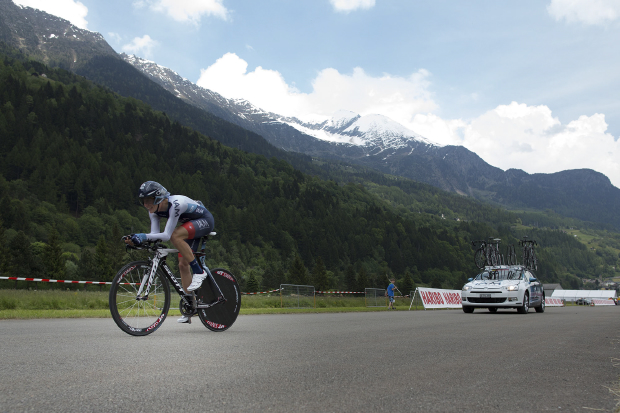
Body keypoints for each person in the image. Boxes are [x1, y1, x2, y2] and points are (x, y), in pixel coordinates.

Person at [125, 181, 214, 323]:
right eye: (143, 201)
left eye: (148, 200)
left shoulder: (175, 204)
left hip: (205, 220)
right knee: (182, 265)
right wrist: (138, 240)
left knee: (174, 235)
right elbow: (155, 235)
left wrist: (143, 236)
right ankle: (191, 305)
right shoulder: (154, 211)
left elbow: (166, 236)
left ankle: (199, 272)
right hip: (189, 225)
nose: (146, 205)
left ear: (159, 198)